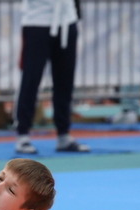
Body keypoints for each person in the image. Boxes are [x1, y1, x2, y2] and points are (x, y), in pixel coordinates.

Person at [14, 0, 90, 155]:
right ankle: (23, 134)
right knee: (31, 80)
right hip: (37, 22)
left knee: (65, 81)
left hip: (67, 20)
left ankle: (63, 134)